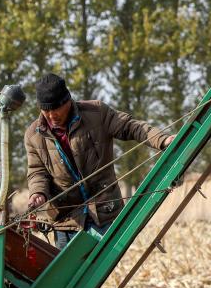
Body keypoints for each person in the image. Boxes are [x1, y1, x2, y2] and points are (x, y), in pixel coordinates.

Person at [24, 73, 172, 249]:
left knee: (103, 265)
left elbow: (131, 126)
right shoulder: (33, 135)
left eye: (56, 108)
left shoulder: (97, 113)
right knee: (68, 268)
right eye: (45, 110)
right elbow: (37, 171)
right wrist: (37, 192)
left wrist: (163, 140)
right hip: (66, 222)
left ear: (67, 101)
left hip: (104, 212)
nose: (51, 115)